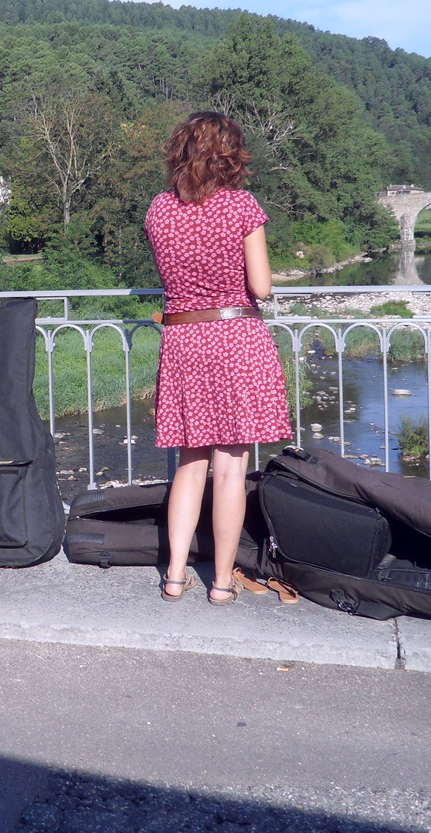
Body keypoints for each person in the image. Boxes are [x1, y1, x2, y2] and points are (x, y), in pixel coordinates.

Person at [145, 110, 291, 604]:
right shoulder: (242, 207)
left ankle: (175, 576)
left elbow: (174, 279)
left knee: (189, 464)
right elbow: (262, 287)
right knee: (230, 469)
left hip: (184, 341)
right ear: (230, 156)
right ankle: (223, 584)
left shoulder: (159, 210)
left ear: (180, 152)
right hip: (235, 339)